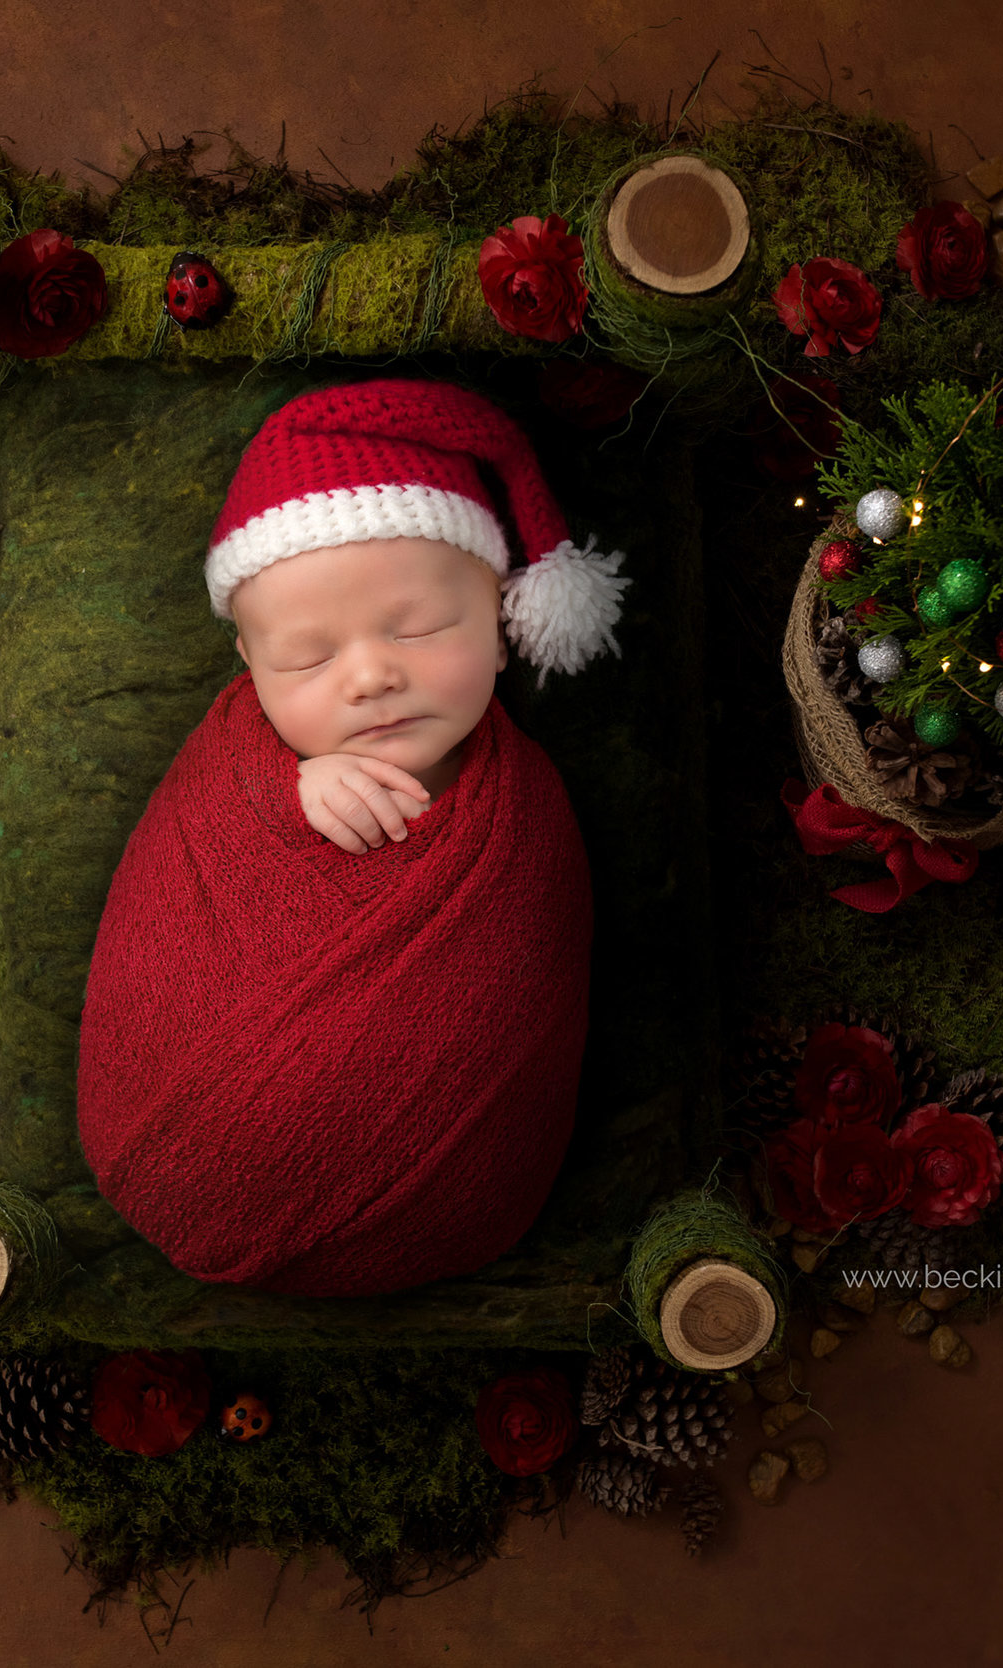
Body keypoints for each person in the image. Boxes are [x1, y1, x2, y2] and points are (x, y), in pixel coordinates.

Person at [75, 377, 631, 1298]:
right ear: (250, 668)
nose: (371, 675)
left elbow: (530, 972)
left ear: (501, 626)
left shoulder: (526, 811)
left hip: (454, 1205)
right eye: (309, 656)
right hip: (169, 1157)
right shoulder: (233, 766)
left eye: (420, 628)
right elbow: (168, 900)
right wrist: (278, 797)